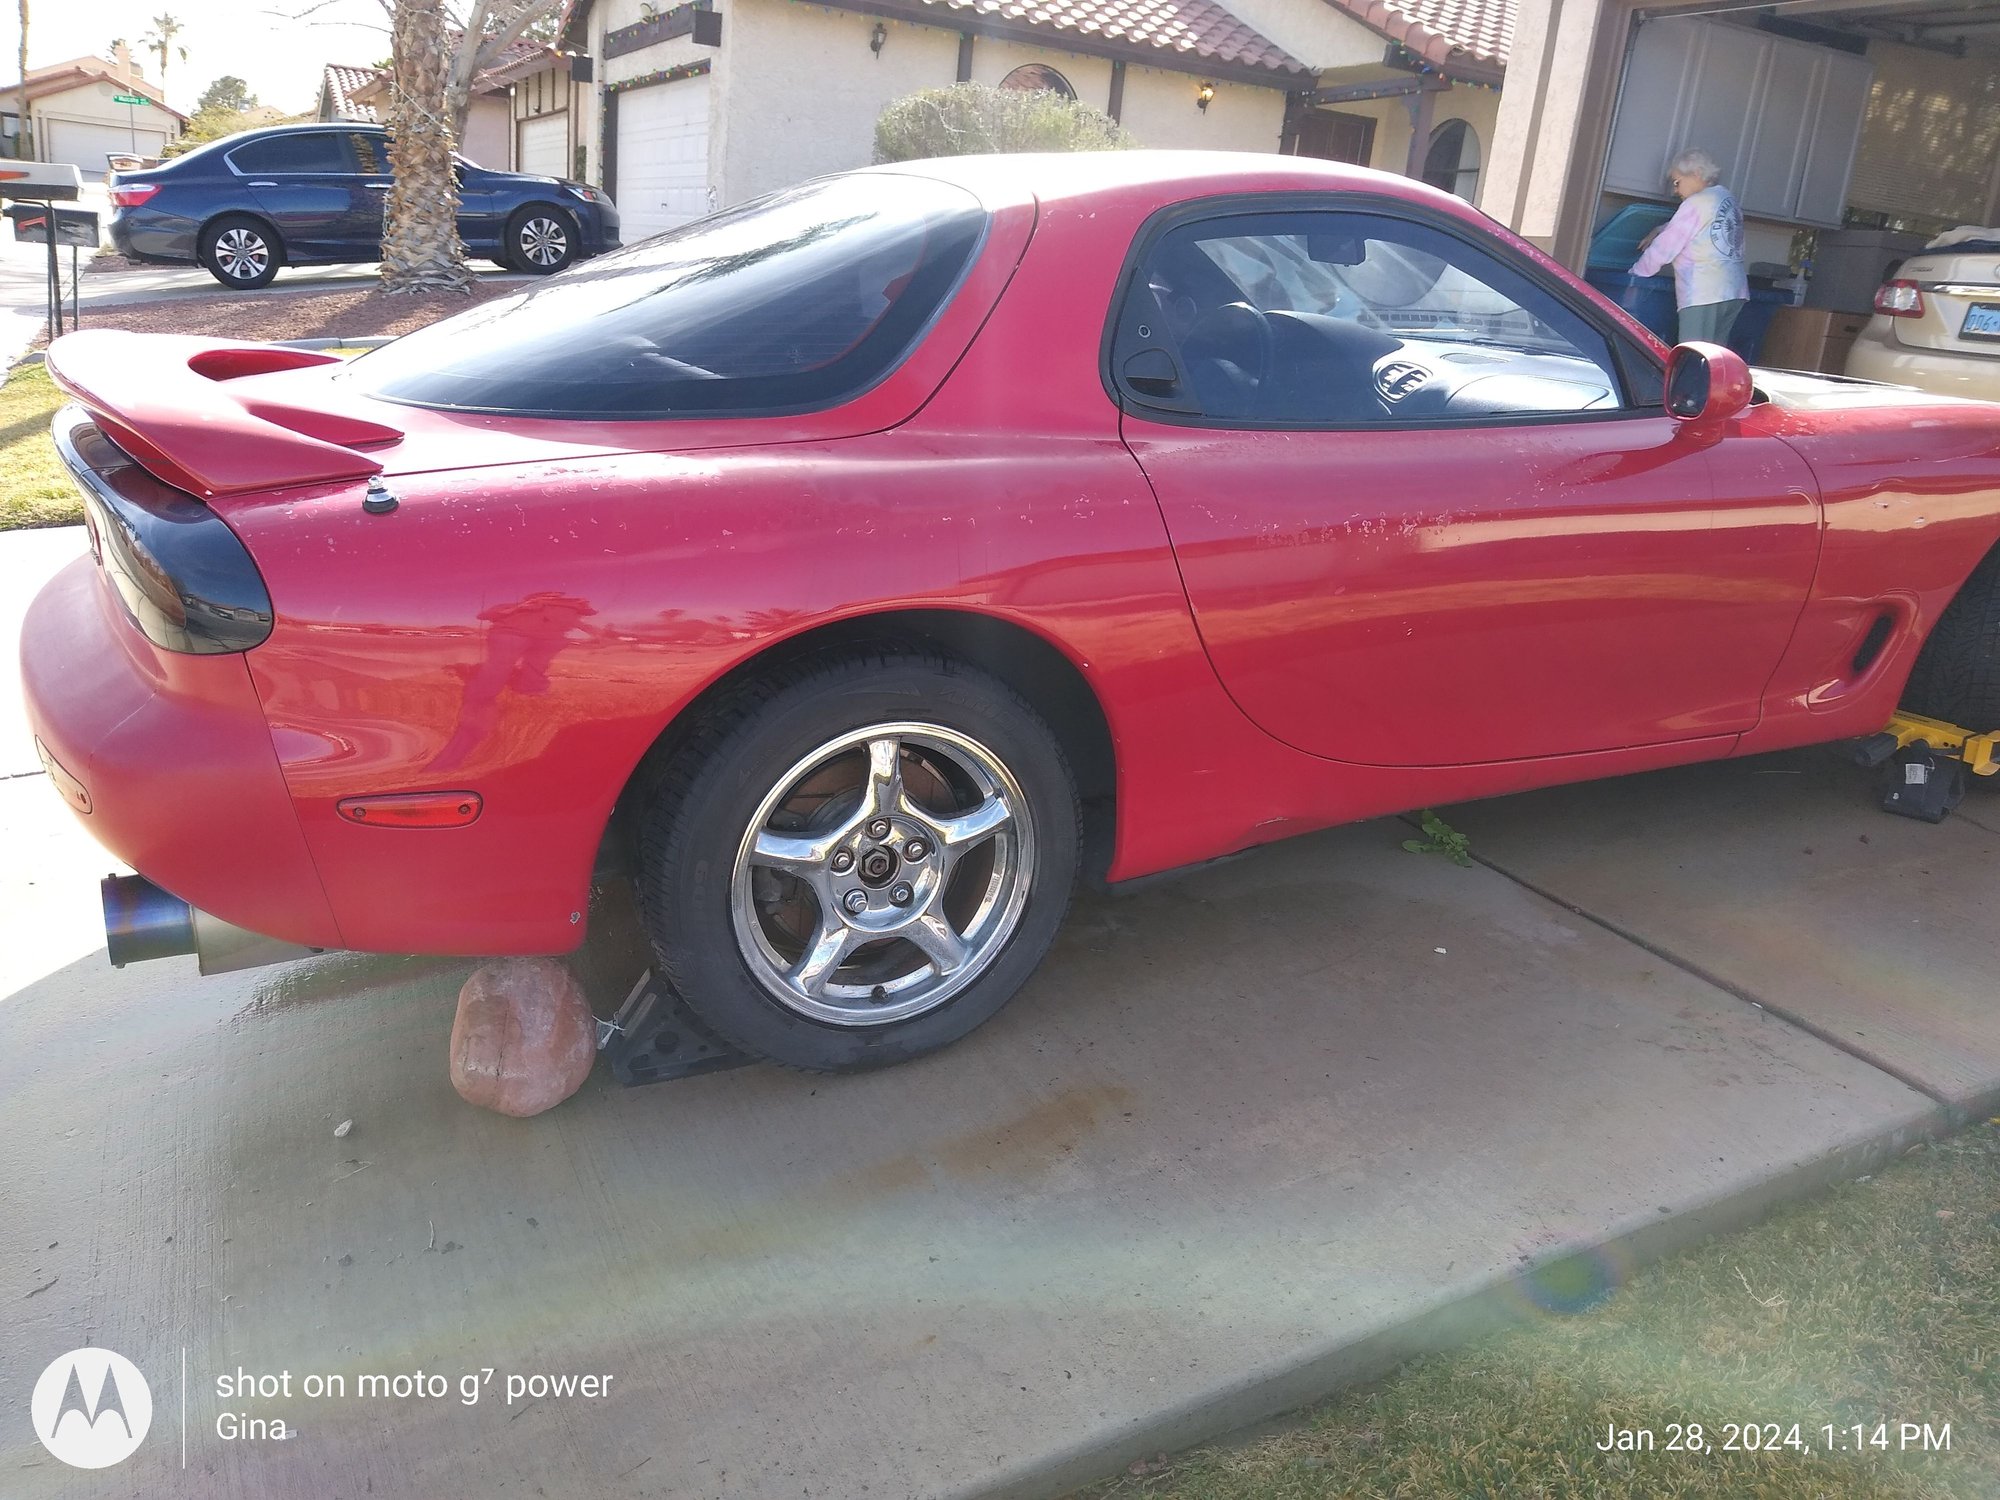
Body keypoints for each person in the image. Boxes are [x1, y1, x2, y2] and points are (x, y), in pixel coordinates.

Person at [1629, 147, 1749, 347]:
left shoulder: (1695, 204)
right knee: (1715, 356)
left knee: (1692, 354)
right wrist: (1660, 229)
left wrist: (1635, 274)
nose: (1675, 190)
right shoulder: (1726, 198)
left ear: (1696, 174)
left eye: (1677, 182)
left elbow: (1664, 249)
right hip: (1734, 291)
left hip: (1704, 292)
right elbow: (1703, 228)